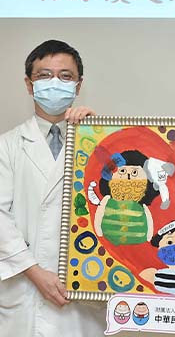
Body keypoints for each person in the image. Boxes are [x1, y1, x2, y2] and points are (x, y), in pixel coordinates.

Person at [0, 40, 106, 336]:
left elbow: (120, 199)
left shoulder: (97, 142)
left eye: (65, 76)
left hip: (83, 297)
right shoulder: (7, 145)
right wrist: (35, 273)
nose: (55, 83)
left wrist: (99, 135)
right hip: (25, 291)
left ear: (78, 85)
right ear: (29, 84)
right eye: (44, 75)